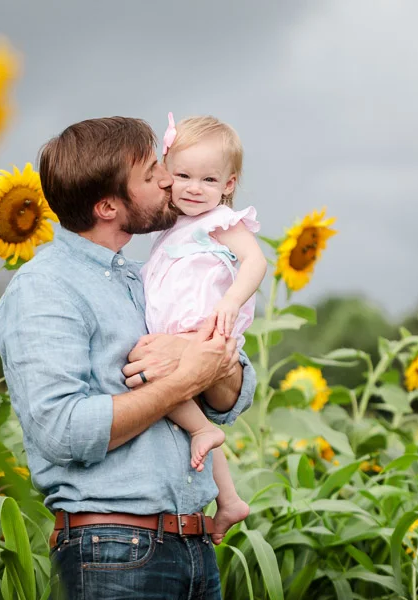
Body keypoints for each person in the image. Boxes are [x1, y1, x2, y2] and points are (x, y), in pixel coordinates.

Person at [0, 116, 256, 599]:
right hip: (114, 550)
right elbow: (63, 430)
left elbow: (233, 398)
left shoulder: (146, 276)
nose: (167, 180)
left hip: (195, 547)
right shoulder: (45, 289)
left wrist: (195, 355)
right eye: (151, 172)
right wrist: (182, 379)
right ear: (108, 205)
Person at [139, 114, 265, 544]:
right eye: (183, 175)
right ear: (165, 174)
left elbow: (257, 262)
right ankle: (228, 498)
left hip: (203, 326)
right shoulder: (170, 228)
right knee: (163, 387)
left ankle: (202, 431)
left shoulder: (221, 222)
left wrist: (230, 302)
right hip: (177, 331)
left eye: (209, 179)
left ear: (228, 185)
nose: (194, 188)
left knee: (150, 378)